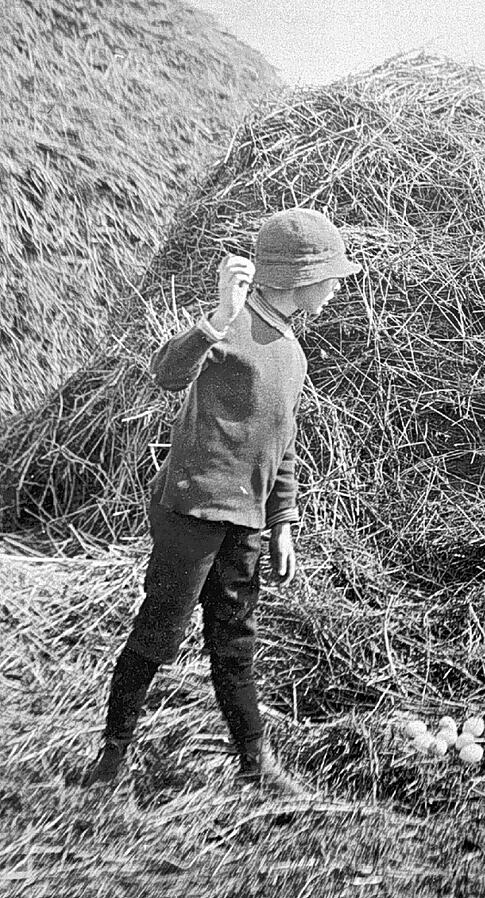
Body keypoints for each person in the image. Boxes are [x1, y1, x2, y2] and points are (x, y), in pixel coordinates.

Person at [81, 208, 360, 794]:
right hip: (193, 510)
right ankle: (111, 759)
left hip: (247, 521)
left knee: (234, 639)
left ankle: (256, 764)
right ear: (294, 277)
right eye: (329, 274)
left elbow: (282, 443)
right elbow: (165, 374)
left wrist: (282, 520)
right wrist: (213, 322)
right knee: (159, 633)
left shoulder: (292, 351)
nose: (338, 285)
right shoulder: (229, 328)